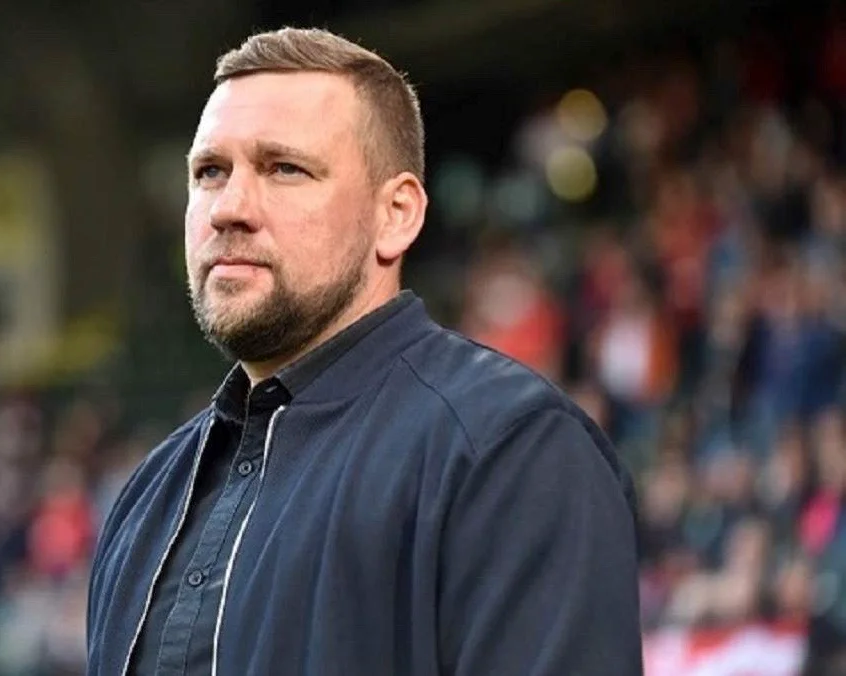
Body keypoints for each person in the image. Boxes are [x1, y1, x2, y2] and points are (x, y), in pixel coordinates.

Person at [86, 27, 643, 676]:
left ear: (396, 214)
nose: (228, 208)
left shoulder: (510, 449)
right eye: (210, 172)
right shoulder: (145, 500)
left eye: (284, 168)